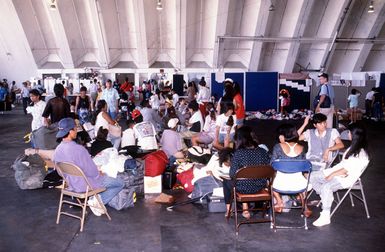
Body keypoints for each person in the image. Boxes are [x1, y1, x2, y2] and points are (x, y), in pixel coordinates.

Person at [53, 118, 124, 216]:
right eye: (75, 128)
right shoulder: (78, 149)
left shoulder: (57, 150)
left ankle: (94, 199)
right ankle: (97, 202)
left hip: (71, 184)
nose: (77, 130)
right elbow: (93, 172)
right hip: (86, 185)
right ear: (70, 131)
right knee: (120, 183)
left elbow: (59, 171)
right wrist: (100, 173)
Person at [310, 123, 370, 227]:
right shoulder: (354, 147)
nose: (348, 135)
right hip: (338, 171)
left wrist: (331, 175)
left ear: (354, 135)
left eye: (349, 133)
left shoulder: (361, 153)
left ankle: (325, 216)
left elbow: (346, 171)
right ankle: (326, 196)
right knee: (312, 176)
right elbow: (344, 164)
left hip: (346, 178)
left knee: (326, 186)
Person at [222, 126, 270, 219]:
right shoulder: (263, 152)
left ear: (239, 140)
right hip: (259, 187)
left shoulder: (239, 153)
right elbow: (268, 170)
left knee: (226, 182)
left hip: (242, 188)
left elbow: (232, 174)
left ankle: (229, 210)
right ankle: (245, 209)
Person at [270, 124, 311, 216]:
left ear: (282, 136)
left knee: (269, 181)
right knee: (301, 182)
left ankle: (279, 201)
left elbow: (272, 166)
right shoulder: (302, 148)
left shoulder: (278, 147)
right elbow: (304, 167)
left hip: (280, 184)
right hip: (299, 185)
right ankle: (305, 206)